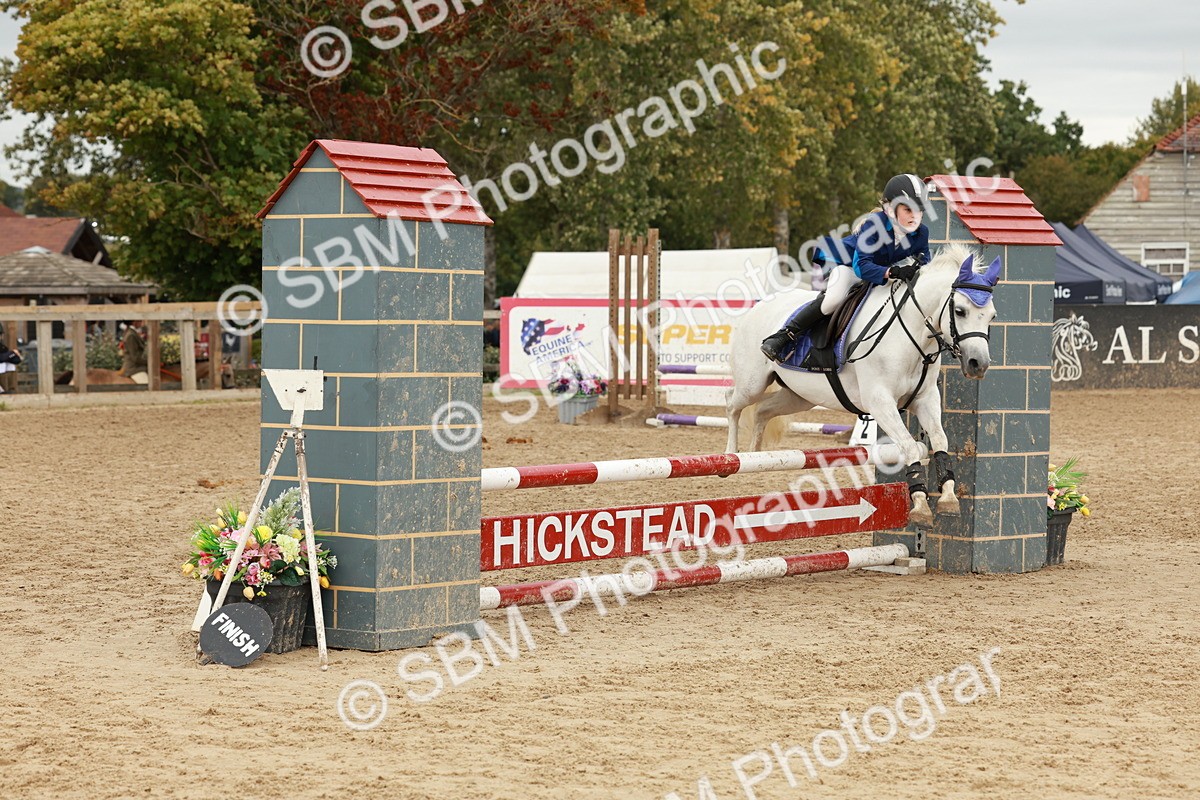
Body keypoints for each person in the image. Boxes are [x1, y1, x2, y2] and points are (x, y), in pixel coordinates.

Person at [761, 174, 932, 363]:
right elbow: (862, 267)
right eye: (908, 210)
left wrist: (915, 270)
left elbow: (925, 262)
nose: (915, 217)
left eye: (919, 211)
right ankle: (784, 336)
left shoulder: (921, 233)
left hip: (880, 270)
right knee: (832, 301)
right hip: (849, 266)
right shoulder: (874, 225)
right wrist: (893, 272)